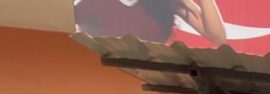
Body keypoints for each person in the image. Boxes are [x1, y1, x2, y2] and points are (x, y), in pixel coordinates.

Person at [75, 0, 226, 45]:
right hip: (99, 80)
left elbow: (216, 36)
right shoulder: (85, 4)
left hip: (147, 83)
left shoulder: (165, 3)